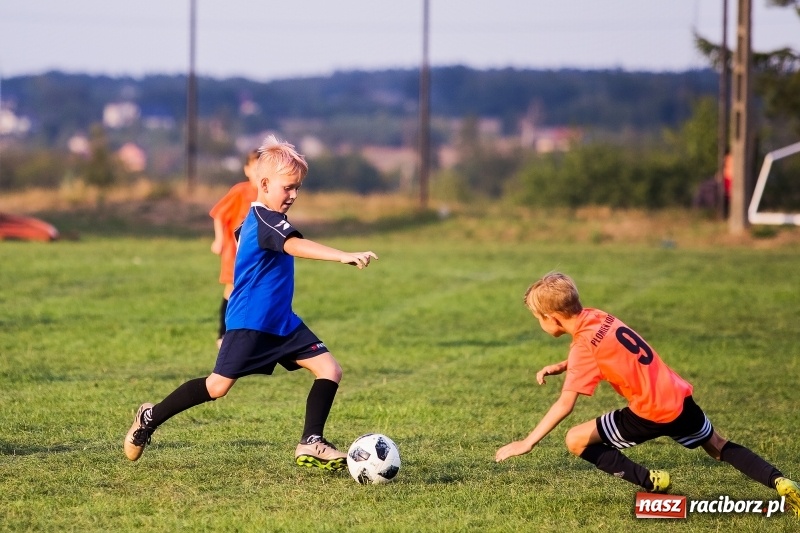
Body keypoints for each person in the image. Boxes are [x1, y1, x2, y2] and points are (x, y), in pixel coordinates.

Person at [124, 135, 378, 471]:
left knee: (330, 369)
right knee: (216, 387)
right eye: (288, 187)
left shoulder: (255, 221)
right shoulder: (264, 219)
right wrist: (343, 256)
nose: (294, 195)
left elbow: (245, 238)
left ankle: (311, 441)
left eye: (298, 187)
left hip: (282, 322)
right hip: (250, 323)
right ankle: (149, 416)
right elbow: (294, 246)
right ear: (264, 183)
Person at [495, 272, 799, 516]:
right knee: (719, 446)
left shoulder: (582, 345)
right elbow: (610, 351)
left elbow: (565, 404)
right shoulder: (599, 316)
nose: (539, 324)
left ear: (552, 317)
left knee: (575, 439)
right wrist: (565, 365)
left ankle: (651, 482)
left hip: (649, 413)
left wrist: (527, 442)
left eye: (538, 318)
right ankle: (780, 481)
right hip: (679, 397)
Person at [209, 149, 260, 348]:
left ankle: (249, 333)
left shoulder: (269, 194)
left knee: (255, 290)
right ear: (247, 170)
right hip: (235, 253)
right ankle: (223, 334)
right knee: (232, 289)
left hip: (256, 255)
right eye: (255, 168)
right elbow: (219, 214)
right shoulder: (241, 191)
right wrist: (219, 239)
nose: (258, 173)